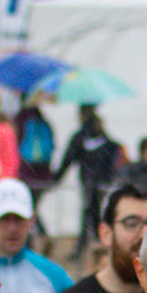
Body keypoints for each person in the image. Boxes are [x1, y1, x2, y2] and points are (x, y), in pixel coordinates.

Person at [59, 104, 124, 258]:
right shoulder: (102, 139)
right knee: (92, 215)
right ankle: (92, 248)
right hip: (97, 184)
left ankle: (90, 249)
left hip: (93, 183)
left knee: (92, 215)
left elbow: (68, 159)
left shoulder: (81, 138)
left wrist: (56, 178)